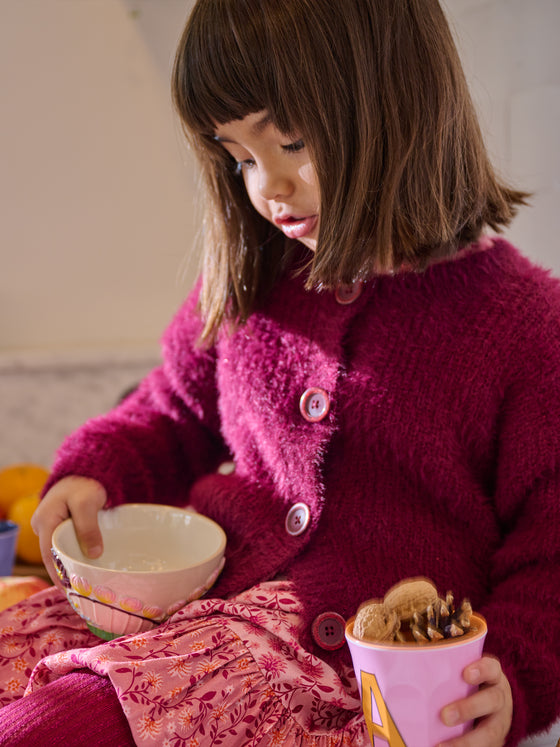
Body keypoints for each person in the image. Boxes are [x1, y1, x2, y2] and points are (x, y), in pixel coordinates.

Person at [1, 0, 559, 744]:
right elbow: (167, 412)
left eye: (288, 141)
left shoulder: (528, 325)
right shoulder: (254, 283)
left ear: (399, 99)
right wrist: (98, 469)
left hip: (338, 669)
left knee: (45, 728)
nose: (265, 187)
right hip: (195, 601)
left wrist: (512, 675)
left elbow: (553, 553)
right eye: (239, 157)